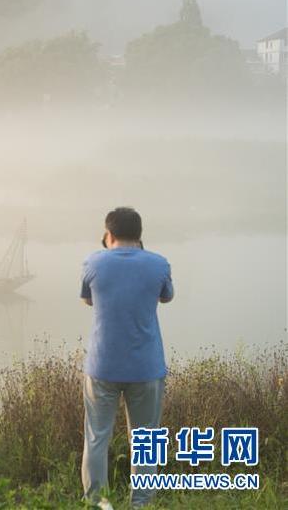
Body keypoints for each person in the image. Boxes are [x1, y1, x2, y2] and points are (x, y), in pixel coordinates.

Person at [80, 207, 174, 508]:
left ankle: (98, 503)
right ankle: (141, 504)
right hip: (146, 368)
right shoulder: (158, 263)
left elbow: (87, 298)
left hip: (102, 366)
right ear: (140, 235)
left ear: (108, 234)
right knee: (146, 441)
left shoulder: (93, 261)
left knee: (97, 439)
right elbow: (166, 296)